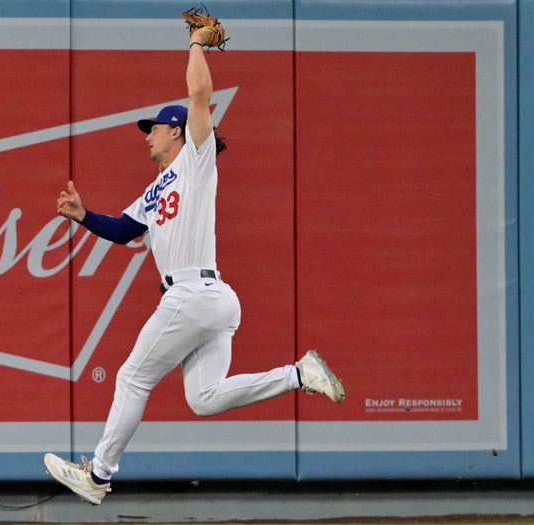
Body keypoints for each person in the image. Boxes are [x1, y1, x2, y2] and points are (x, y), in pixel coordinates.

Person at [44, 24, 345, 505]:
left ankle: (98, 475)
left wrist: (196, 44)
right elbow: (125, 231)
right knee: (203, 399)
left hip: (192, 293)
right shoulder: (156, 186)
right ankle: (299, 374)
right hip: (213, 300)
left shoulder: (196, 159)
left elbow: (199, 91)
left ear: (177, 132)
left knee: (131, 377)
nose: (148, 137)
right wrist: (83, 217)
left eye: (155, 128)